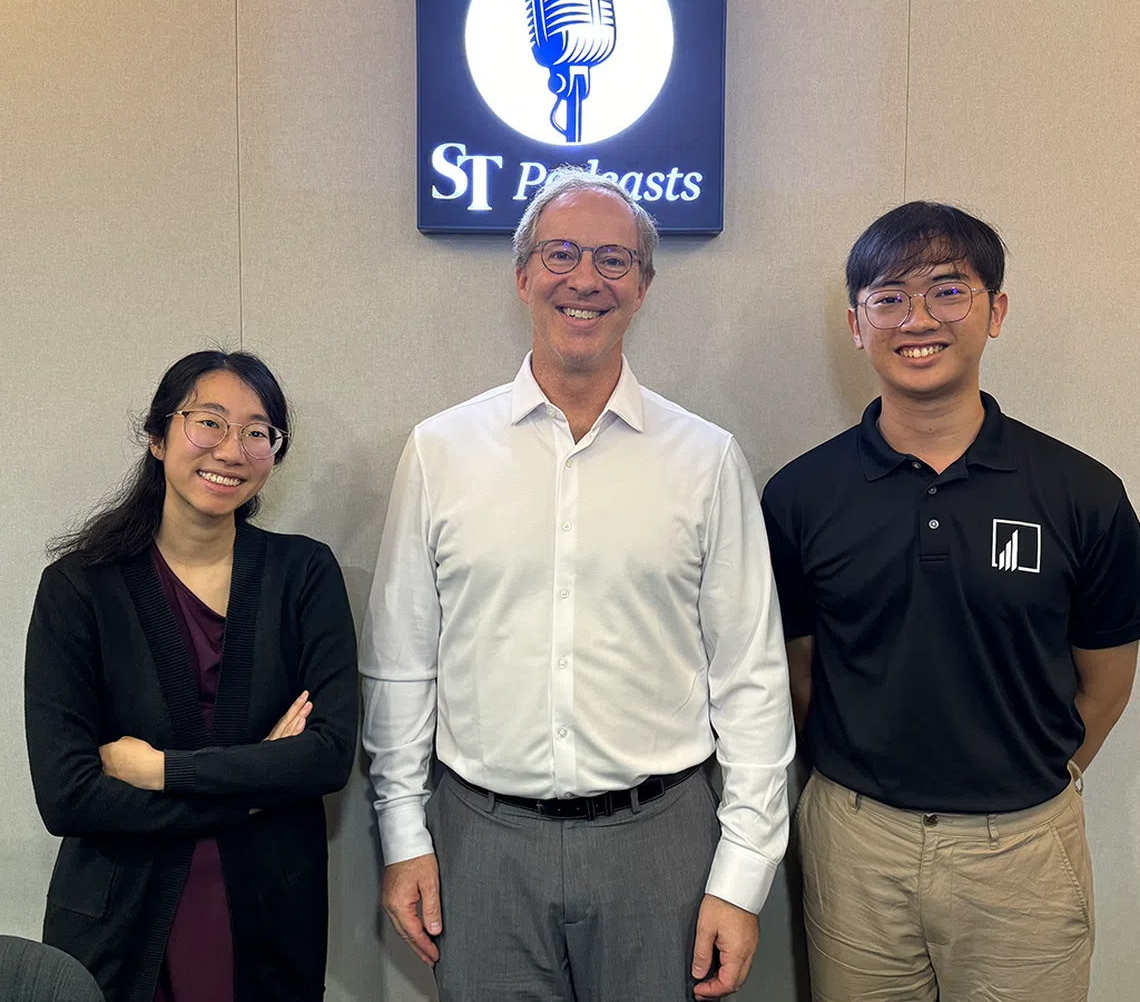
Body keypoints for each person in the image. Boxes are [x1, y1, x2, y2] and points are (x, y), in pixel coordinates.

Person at [360, 166, 795, 1001]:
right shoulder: (441, 451)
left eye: (614, 259)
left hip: (660, 844)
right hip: (480, 845)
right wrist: (403, 833)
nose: (585, 279)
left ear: (643, 287)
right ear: (523, 275)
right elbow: (402, 661)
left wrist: (741, 877)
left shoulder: (705, 461)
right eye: (560, 253)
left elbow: (751, 679)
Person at [762, 202, 1140, 1002]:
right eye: (889, 297)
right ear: (858, 324)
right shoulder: (799, 495)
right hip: (856, 844)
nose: (918, 319)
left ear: (995, 312)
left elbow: (1107, 676)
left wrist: (1048, 773)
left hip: (1022, 851)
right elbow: (801, 672)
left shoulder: (1082, 493)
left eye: (948, 291)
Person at [24, 350, 359, 1002]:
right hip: (119, 922)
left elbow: (325, 759)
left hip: (269, 921)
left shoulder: (304, 576)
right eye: (209, 423)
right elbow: (67, 796)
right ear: (158, 435)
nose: (232, 450)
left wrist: (161, 772)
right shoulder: (78, 588)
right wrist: (258, 781)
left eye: (257, 432)